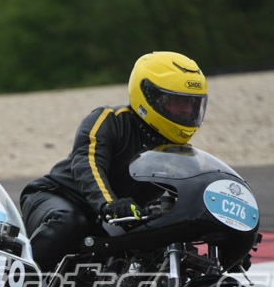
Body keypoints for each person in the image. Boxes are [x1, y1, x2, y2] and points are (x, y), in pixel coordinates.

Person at [19, 50, 208, 271]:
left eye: (192, 104)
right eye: (177, 102)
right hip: (54, 196)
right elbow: (88, 163)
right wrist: (109, 204)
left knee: (158, 246)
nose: (186, 110)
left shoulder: (181, 153)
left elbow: (194, 194)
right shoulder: (109, 120)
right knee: (69, 221)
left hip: (114, 217)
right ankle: (18, 283)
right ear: (150, 96)